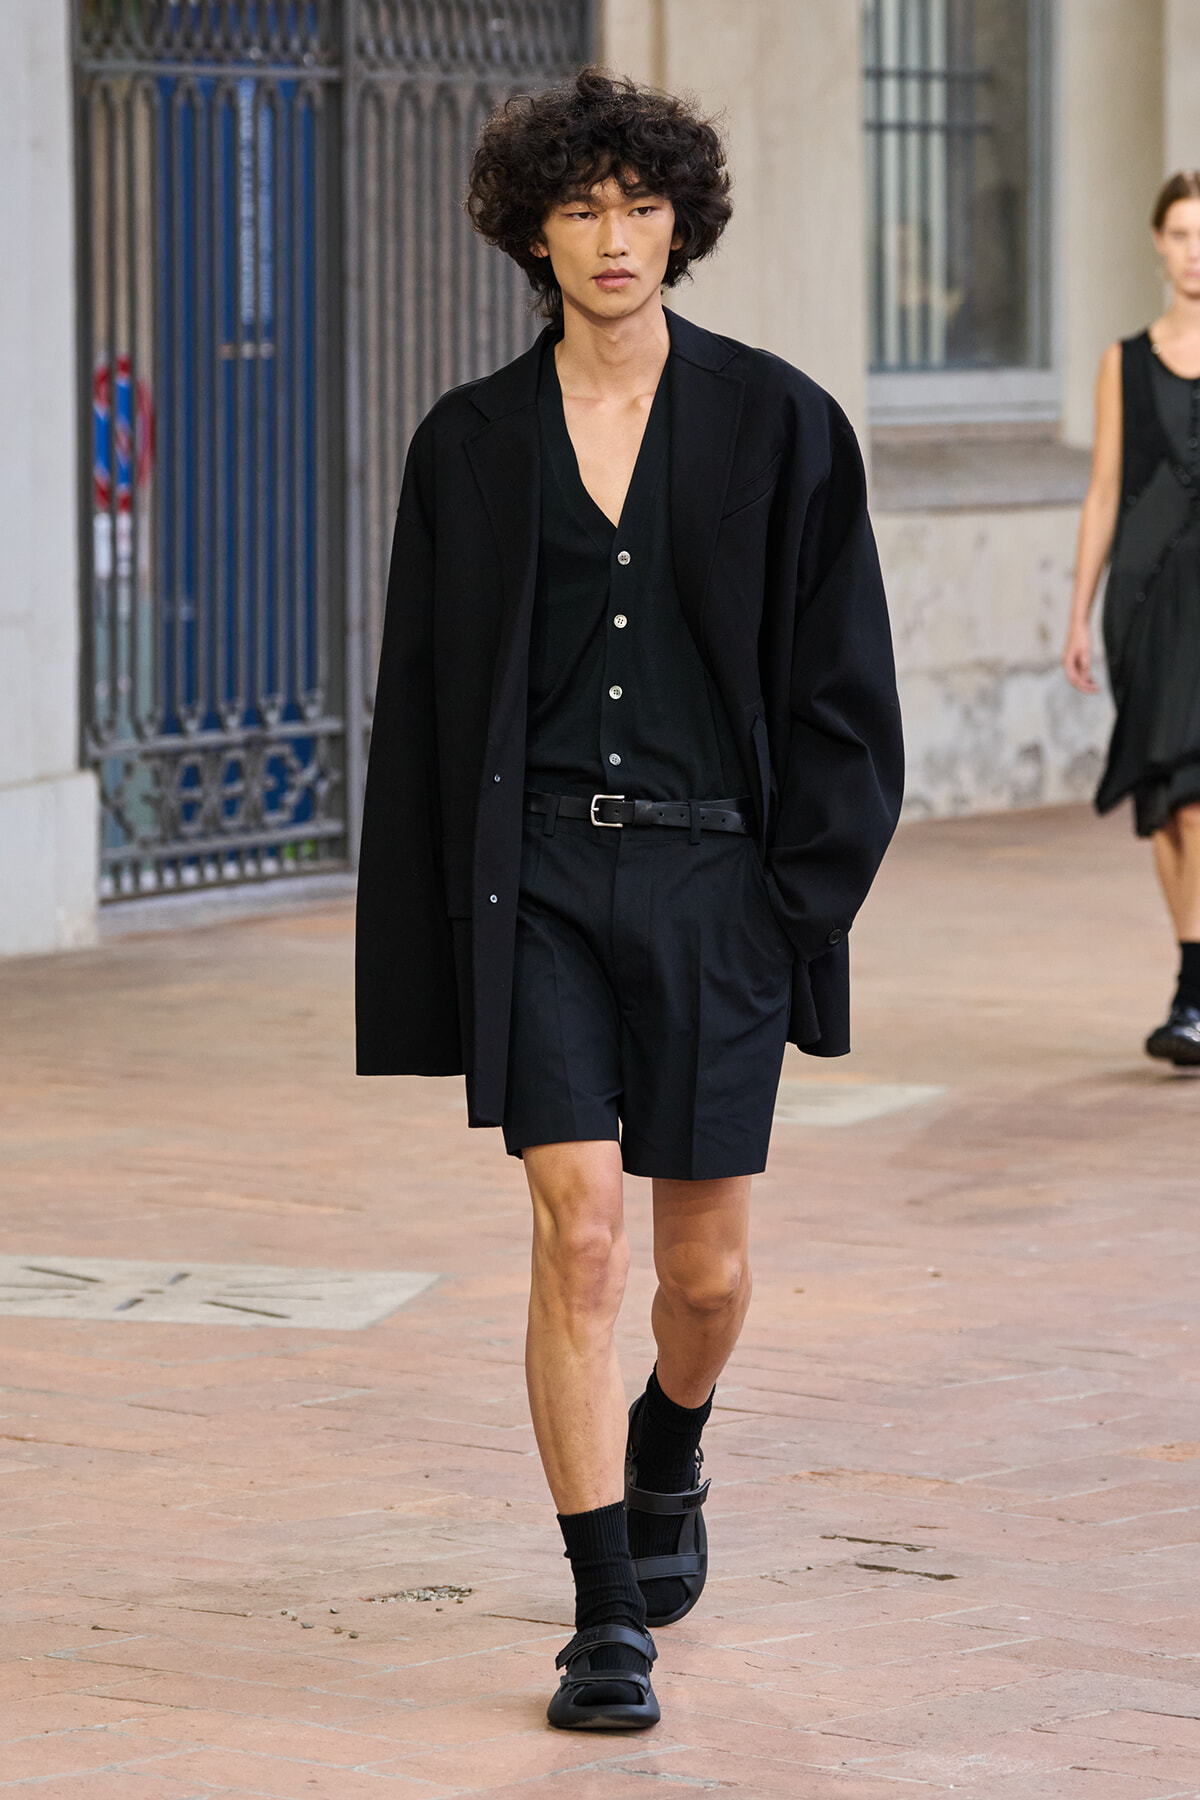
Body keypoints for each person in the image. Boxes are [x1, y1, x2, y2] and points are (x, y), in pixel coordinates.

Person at [356, 69, 903, 1731]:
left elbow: (847, 699)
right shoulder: (468, 446)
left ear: (682, 223)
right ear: (531, 231)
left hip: (718, 885)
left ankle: (673, 1436)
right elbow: (423, 711)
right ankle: (606, 1617)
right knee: (578, 1229)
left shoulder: (782, 425)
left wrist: (791, 910)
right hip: (540, 890)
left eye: (642, 204)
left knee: (704, 1276)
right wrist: (436, 940)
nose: (614, 236)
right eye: (582, 206)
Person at [1064, 171, 1200, 1066]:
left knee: (1197, 794)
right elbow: (1105, 490)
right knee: (1167, 802)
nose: (1195, 252)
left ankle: (1192, 993)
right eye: (1182, 233)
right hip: (1146, 601)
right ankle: (1194, 990)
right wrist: (1078, 615)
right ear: (1158, 242)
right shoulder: (1124, 359)